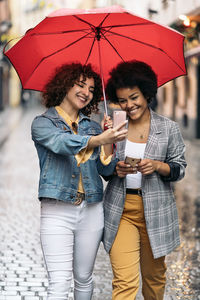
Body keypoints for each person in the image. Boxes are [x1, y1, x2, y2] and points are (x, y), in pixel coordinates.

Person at [31, 62, 128, 300]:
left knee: (84, 279)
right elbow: (61, 144)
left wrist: (107, 140)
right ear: (64, 84)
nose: (86, 92)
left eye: (92, 89)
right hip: (57, 211)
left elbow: (105, 170)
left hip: (92, 210)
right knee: (59, 283)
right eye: (80, 84)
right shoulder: (43, 123)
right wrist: (96, 140)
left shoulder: (94, 127)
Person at [103, 60, 187, 300]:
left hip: (156, 212)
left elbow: (179, 168)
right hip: (121, 212)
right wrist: (110, 153)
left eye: (134, 97)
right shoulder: (115, 126)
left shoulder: (168, 128)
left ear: (146, 93)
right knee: (124, 283)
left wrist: (158, 166)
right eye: (122, 100)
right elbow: (103, 168)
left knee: (154, 280)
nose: (129, 105)